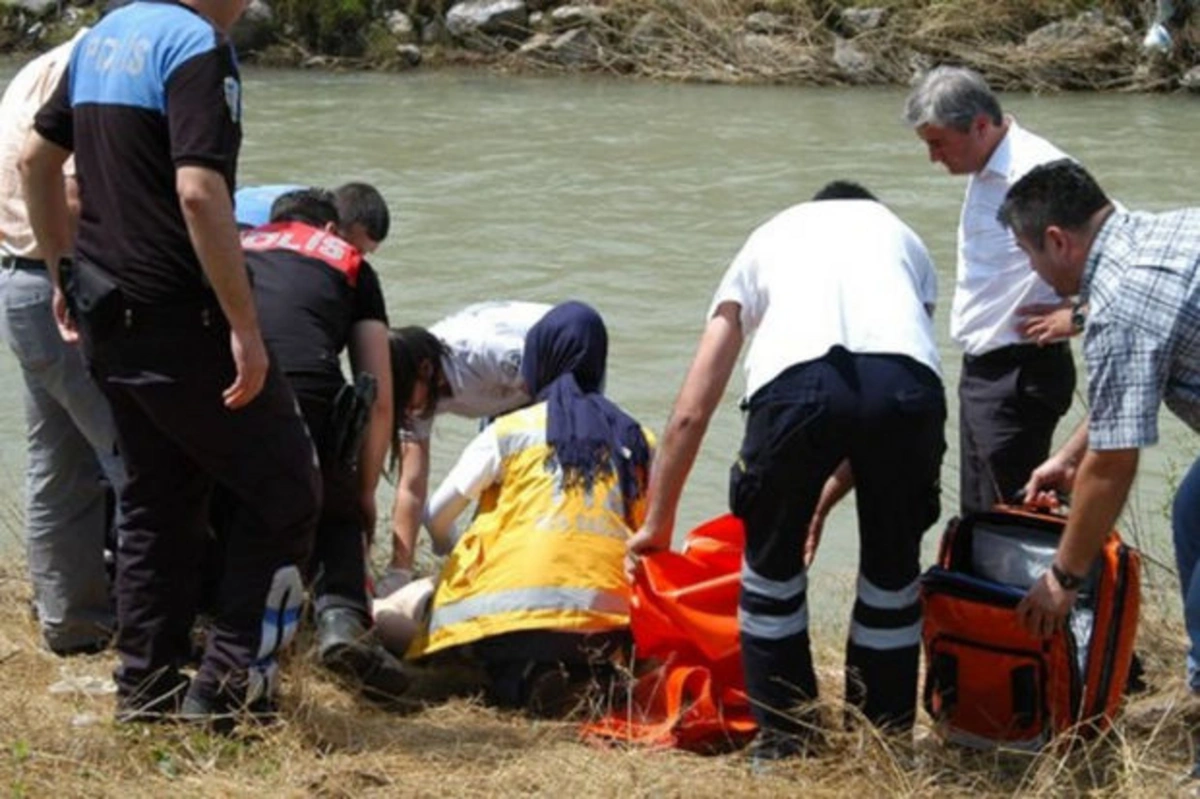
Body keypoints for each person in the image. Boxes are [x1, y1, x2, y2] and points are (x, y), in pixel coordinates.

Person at [20, 0, 320, 725]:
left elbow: (35, 157)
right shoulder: (196, 47)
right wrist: (244, 322)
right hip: (183, 317)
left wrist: (64, 270)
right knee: (286, 487)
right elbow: (198, 188)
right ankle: (226, 689)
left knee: (158, 498)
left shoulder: (105, 38)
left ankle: (146, 692)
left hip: (106, 315)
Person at [627, 182, 946, 757]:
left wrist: (658, 521)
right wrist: (826, 496)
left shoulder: (769, 237)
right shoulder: (907, 240)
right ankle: (883, 746)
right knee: (892, 575)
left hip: (795, 390)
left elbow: (692, 411)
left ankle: (787, 747)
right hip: (908, 392)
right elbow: (880, 387)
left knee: (771, 577)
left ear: (812, 205)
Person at [999, 160, 1200, 772]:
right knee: (1192, 513)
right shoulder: (1162, 231)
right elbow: (1133, 386)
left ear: (1058, 240)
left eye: (1030, 257)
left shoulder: (1120, 305)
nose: (1035, 272)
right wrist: (1066, 456)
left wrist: (1063, 576)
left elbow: (1114, 462)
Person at [374, 301, 651, 716]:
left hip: (507, 617)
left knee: (388, 613)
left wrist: (452, 560)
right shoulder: (639, 439)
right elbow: (646, 537)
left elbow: (435, 513)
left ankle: (514, 673)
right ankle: (580, 674)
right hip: (606, 626)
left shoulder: (509, 427)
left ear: (538, 356)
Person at [238, 187, 408, 700]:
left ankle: (220, 624)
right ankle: (341, 623)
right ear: (329, 230)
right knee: (335, 511)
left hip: (230, 381)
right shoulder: (351, 263)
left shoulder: (238, 245)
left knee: (233, 505)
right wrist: (362, 492)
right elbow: (376, 392)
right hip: (309, 383)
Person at [904, 66, 1079, 515]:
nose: (933, 157)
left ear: (980, 125)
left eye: (938, 143)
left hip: (1021, 373)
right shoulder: (987, 171)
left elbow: (1121, 248)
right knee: (982, 516)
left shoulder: (1037, 172)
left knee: (1013, 519)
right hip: (987, 372)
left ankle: (1053, 584)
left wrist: (1077, 317)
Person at [0, 28, 124, 657]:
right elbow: (68, 191)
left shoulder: (36, 67)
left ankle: (72, 623)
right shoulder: (89, 66)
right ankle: (154, 626)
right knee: (133, 458)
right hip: (62, 286)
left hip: (22, 282)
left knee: (59, 464)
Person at [380, 300, 551, 597]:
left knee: (528, 481)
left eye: (403, 399)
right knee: (458, 505)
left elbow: (555, 403)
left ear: (426, 369)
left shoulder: (485, 354)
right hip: (504, 388)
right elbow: (411, 485)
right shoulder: (413, 391)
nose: (403, 410)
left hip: (552, 361)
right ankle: (463, 564)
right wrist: (399, 570)